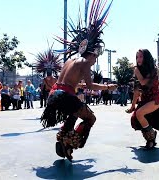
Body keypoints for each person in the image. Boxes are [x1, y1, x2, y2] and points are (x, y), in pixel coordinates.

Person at [40, 0, 115, 162]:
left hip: (54, 95)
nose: (95, 61)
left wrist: (78, 85)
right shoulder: (85, 62)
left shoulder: (70, 61)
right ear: (92, 53)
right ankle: (69, 142)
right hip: (65, 96)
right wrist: (108, 87)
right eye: (96, 57)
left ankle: (63, 137)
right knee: (90, 118)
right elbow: (90, 86)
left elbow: (68, 83)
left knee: (75, 113)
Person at [126, 49, 159, 149]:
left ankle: (151, 139)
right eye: (137, 57)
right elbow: (137, 90)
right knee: (136, 118)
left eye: (141, 56)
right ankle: (150, 138)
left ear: (146, 57)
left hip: (155, 98)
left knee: (139, 113)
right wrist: (133, 105)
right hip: (145, 99)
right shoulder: (138, 71)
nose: (138, 59)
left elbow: (143, 82)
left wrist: (137, 71)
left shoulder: (153, 70)